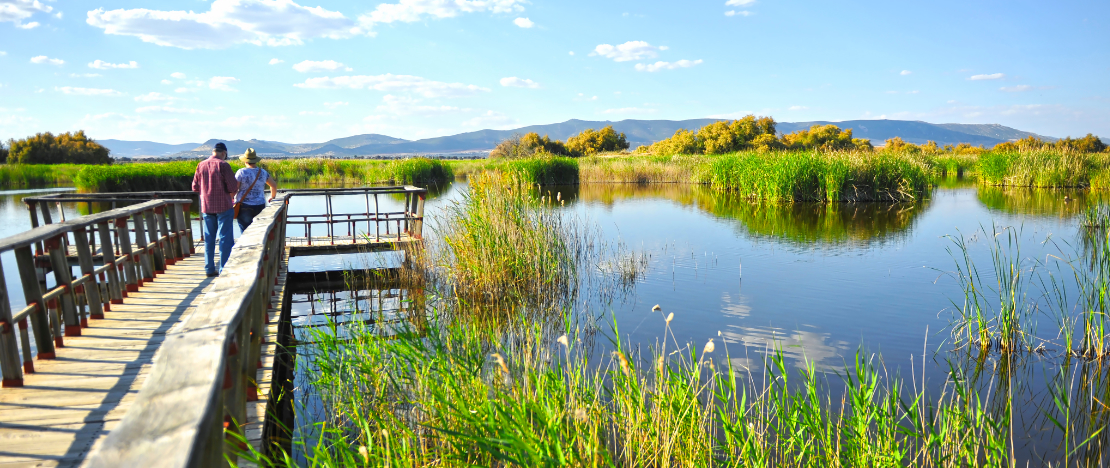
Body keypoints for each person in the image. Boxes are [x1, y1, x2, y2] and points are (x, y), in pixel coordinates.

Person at [191, 142, 238, 277]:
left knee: (209, 238)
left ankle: (209, 268)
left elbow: (194, 187)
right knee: (225, 239)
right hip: (224, 206)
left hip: (207, 207)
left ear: (213, 152)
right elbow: (233, 187)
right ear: (224, 153)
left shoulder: (201, 165)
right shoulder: (223, 165)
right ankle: (224, 270)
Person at [234, 148, 278, 232]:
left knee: (245, 232)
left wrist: (231, 199)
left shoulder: (241, 172)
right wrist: (272, 196)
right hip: (260, 205)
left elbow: (235, 188)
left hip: (244, 205)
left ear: (245, 161)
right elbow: (273, 185)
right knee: (258, 231)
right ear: (255, 160)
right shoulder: (263, 172)